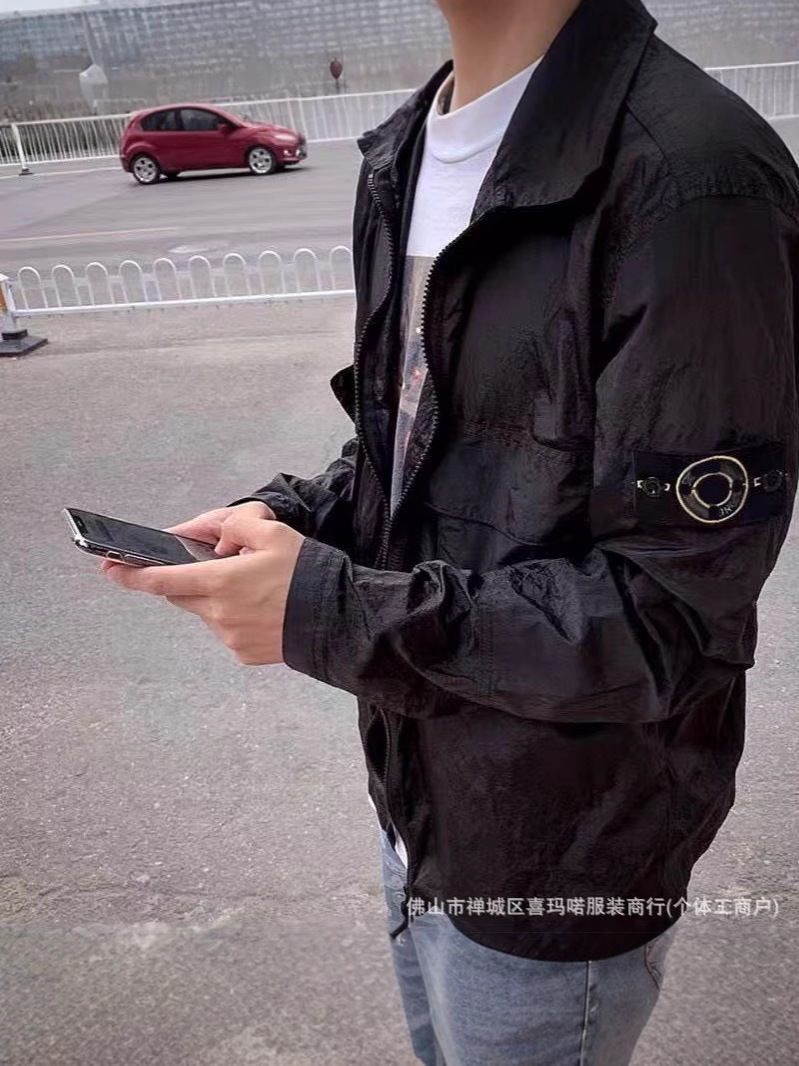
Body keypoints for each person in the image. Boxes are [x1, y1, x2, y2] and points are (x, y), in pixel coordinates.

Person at [102, 0, 799, 1061]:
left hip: (562, 859)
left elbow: (666, 616)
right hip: (416, 799)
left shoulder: (693, 181)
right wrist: (288, 516)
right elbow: (409, 444)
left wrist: (324, 608)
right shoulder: (405, 153)